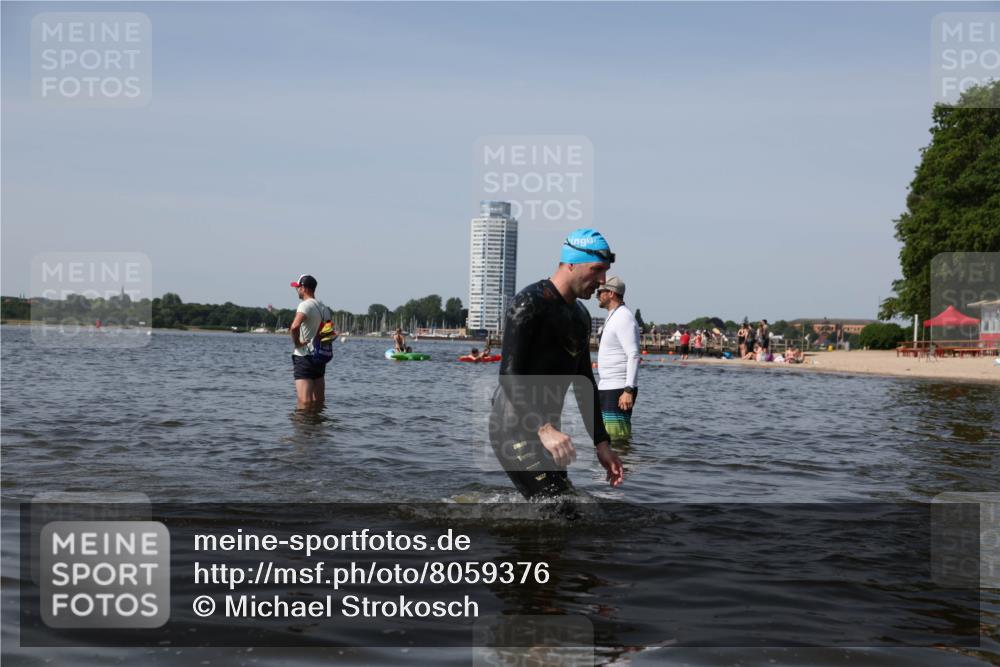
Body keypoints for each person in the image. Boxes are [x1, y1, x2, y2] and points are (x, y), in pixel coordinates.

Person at [490, 228, 625, 499]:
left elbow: (584, 383)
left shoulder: (581, 317)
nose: (601, 281)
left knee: (567, 505)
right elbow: (509, 375)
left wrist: (602, 444)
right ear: (571, 263)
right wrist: (544, 428)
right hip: (515, 428)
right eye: (597, 270)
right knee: (557, 507)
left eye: (605, 273)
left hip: (549, 432)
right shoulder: (530, 302)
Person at [595, 276, 640, 443]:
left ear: (611, 293)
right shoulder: (613, 316)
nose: (596, 295)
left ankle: (623, 466)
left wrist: (628, 390)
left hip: (619, 388)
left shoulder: (623, 318)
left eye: (600, 292)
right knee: (606, 438)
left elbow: (633, 354)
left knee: (617, 439)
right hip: (608, 386)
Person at [289, 274, 332, 410]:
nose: (297, 290)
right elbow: (328, 334)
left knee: (304, 403)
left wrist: (297, 343)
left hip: (304, 357)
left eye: (298, 287)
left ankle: (303, 430)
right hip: (319, 358)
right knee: (318, 402)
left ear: (304, 288)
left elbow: (294, 327)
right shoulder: (325, 308)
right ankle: (316, 429)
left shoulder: (305, 306)